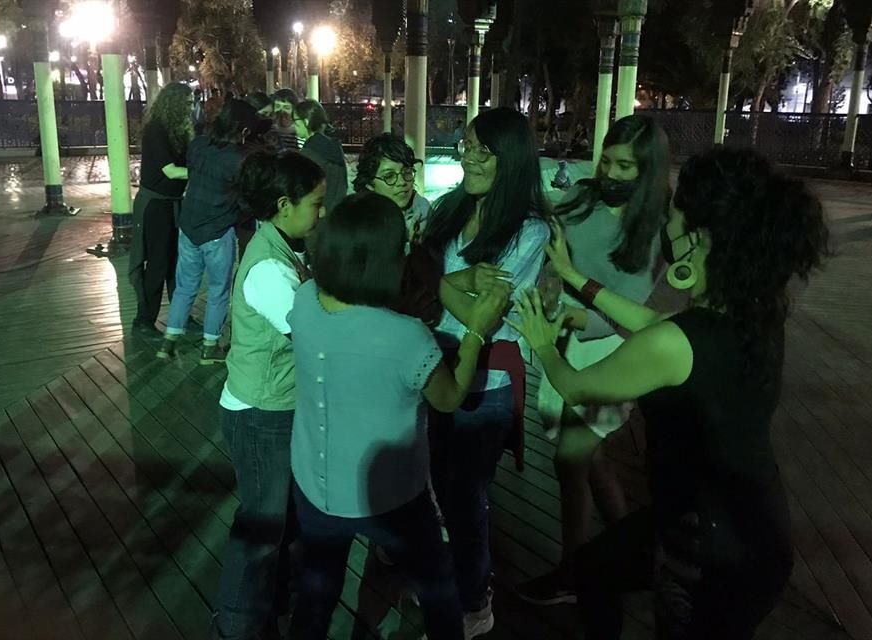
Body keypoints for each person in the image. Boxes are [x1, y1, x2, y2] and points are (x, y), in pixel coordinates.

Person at [507, 146, 829, 639]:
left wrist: (544, 344)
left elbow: (576, 386)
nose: (667, 218)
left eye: (675, 208)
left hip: (715, 551)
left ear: (698, 235)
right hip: (741, 521)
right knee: (594, 567)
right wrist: (575, 278)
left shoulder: (678, 342)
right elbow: (655, 324)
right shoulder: (751, 313)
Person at [286, 192, 509, 640]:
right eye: (402, 244)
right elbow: (447, 398)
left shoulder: (306, 299)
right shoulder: (406, 337)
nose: (408, 248)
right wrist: (476, 331)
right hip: (390, 497)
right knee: (438, 584)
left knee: (318, 586)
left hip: (315, 484)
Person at [516, 114, 671, 606]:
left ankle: (572, 572)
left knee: (572, 459)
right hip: (561, 339)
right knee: (592, 460)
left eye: (625, 166)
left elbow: (632, 309)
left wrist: (572, 318)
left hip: (610, 351)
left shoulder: (657, 225)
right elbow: (548, 261)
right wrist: (549, 298)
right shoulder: (582, 199)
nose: (611, 173)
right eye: (607, 159)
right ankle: (633, 553)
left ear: (647, 171)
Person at [423, 106, 551, 638]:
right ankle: (447, 578)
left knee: (466, 496)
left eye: (482, 151)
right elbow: (437, 279)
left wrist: (441, 283)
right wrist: (453, 282)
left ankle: (475, 600)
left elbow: (489, 306)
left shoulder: (529, 230)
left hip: (487, 383)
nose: (468, 158)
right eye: (466, 147)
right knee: (434, 482)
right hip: (435, 365)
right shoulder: (449, 206)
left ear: (510, 160)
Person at [211, 151, 327, 640]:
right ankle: (236, 625)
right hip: (262, 414)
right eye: (316, 205)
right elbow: (314, 335)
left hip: (275, 407)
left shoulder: (278, 247)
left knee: (279, 523)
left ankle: (267, 610)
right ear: (284, 204)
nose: (321, 214)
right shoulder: (269, 270)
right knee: (260, 528)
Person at [156, 100, 274, 365]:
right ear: (243, 130)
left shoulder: (197, 146)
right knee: (219, 289)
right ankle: (210, 347)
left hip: (189, 226)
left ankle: (168, 341)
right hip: (217, 231)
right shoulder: (239, 159)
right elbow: (244, 199)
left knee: (185, 286)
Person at [129, 82, 194, 336]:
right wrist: (204, 173)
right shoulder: (156, 129)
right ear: (175, 104)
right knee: (157, 263)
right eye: (187, 103)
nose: (192, 107)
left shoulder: (179, 130)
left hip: (172, 204)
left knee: (177, 265)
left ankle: (180, 317)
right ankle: (144, 320)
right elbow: (170, 170)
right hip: (155, 205)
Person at [353, 133, 430, 242]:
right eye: (389, 176)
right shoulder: (355, 227)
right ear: (369, 184)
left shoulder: (428, 218)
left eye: (407, 172)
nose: (402, 182)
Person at [295, 99, 348, 215]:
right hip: (337, 214)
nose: (294, 125)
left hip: (317, 217)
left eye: (295, 121)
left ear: (306, 121)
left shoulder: (308, 154)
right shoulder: (335, 148)